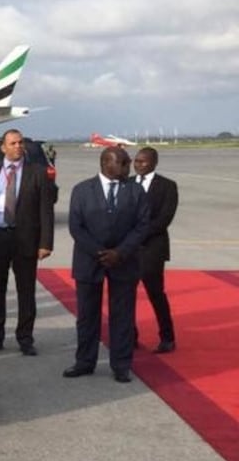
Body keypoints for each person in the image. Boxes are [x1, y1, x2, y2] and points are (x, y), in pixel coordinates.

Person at [63, 146, 150, 383]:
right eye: (123, 163)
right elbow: (76, 226)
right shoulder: (82, 190)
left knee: (122, 315)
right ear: (106, 163)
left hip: (124, 261)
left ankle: (121, 364)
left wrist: (119, 253)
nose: (128, 167)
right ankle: (85, 361)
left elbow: (142, 225)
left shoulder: (135, 191)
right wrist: (99, 252)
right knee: (87, 315)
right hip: (89, 260)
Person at [0, 129, 55, 356]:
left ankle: (25, 338)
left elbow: (45, 210)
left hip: (25, 238)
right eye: (13, 143)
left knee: (26, 291)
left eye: (21, 143)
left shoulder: (37, 172)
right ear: (3, 147)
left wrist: (45, 243)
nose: (18, 146)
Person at [133, 146, 178, 353]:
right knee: (126, 295)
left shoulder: (167, 186)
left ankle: (167, 337)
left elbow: (164, 219)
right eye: (136, 161)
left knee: (155, 294)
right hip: (127, 251)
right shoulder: (126, 184)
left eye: (143, 161)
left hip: (152, 249)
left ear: (154, 163)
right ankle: (129, 336)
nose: (139, 164)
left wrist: (137, 235)